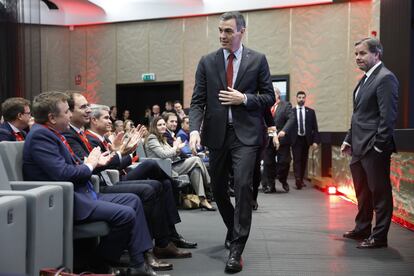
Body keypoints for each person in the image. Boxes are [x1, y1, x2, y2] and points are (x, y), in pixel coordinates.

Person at [23, 91, 157, 276]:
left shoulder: (52, 133)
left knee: (133, 200)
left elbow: (72, 165)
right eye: (66, 112)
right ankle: (98, 264)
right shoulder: (41, 136)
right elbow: (63, 173)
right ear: (52, 118)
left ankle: (138, 264)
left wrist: (97, 161)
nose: (70, 115)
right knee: (125, 214)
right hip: (63, 200)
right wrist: (89, 165)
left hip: (82, 192)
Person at [189, 11, 275, 273]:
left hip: (246, 136)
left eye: (228, 31)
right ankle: (233, 228)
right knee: (217, 189)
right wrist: (194, 130)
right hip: (216, 136)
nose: (222, 36)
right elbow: (197, 102)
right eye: (220, 31)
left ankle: (236, 249)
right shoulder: (207, 62)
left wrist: (245, 99)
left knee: (243, 185)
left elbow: (269, 97)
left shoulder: (257, 60)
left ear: (241, 31)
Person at [84, 104, 197, 253]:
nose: (110, 120)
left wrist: (124, 153)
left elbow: (115, 163)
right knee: (151, 170)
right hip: (110, 181)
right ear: (94, 120)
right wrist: (125, 153)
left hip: (119, 174)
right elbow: (107, 165)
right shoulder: (92, 139)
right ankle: (155, 245)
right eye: (106, 117)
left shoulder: (102, 139)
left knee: (163, 183)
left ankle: (169, 237)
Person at [341, 37, 398, 249]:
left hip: (374, 148)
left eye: (362, 53)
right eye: (356, 54)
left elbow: (388, 118)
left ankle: (379, 236)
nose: (358, 57)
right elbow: (358, 116)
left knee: (380, 193)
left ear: (377, 54)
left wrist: (378, 146)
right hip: (358, 147)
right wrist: (348, 139)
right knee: (363, 192)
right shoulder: (364, 80)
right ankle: (362, 228)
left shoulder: (385, 78)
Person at [145, 117, 216, 211]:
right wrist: (175, 147)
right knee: (196, 159)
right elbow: (163, 154)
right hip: (163, 169)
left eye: (163, 124)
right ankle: (211, 185)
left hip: (170, 165)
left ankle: (203, 199)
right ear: (154, 127)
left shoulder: (162, 138)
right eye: (159, 125)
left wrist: (177, 150)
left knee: (196, 169)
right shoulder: (152, 138)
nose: (163, 126)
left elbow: (171, 155)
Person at [262, 87, 295, 193]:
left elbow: (292, 119)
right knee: (268, 163)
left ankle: (283, 179)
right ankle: (271, 186)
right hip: (268, 139)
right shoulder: (265, 107)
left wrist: (284, 131)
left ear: (277, 95)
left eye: (272, 94)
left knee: (284, 162)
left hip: (282, 139)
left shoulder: (286, 105)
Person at [291, 91, 320, 189]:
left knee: (304, 160)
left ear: (305, 99)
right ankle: (297, 180)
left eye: (303, 97)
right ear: (296, 98)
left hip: (306, 139)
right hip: (296, 139)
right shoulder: (292, 111)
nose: (301, 99)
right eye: (299, 97)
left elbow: (315, 128)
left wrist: (316, 141)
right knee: (297, 160)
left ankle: (301, 179)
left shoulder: (310, 112)